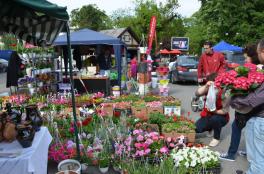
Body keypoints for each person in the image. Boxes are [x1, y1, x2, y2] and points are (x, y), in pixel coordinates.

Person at [220, 43, 260, 162]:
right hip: (254, 106)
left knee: (237, 127)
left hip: (246, 105)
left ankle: (231, 154)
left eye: (246, 57)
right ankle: (250, 152)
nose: (244, 59)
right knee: (250, 130)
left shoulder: (252, 70)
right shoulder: (258, 68)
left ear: (252, 57)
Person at [229, 38, 264, 174]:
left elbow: (256, 99)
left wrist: (235, 100)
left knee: (259, 160)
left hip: (260, 119)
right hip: (255, 117)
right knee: (256, 158)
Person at [195, 73, 230, 147]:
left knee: (215, 119)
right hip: (207, 115)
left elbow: (225, 110)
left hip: (220, 116)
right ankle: (210, 128)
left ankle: (216, 138)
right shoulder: (209, 88)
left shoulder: (225, 93)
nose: (215, 86)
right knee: (196, 128)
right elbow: (197, 94)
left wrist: (215, 111)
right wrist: (206, 86)